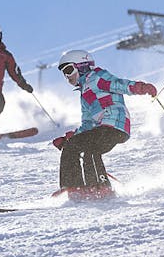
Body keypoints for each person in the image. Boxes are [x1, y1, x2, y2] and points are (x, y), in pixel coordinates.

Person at [51, 49, 157, 199]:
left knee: (91, 148)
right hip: (101, 129)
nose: (67, 76)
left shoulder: (97, 76)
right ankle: (73, 187)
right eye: (64, 73)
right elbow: (88, 123)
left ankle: (100, 187)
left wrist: (140, 87)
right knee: (72, 146)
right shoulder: (84, 92)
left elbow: (119, 84)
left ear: (82, 66)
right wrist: (71, 137)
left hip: (114, 125)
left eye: (69, 70)